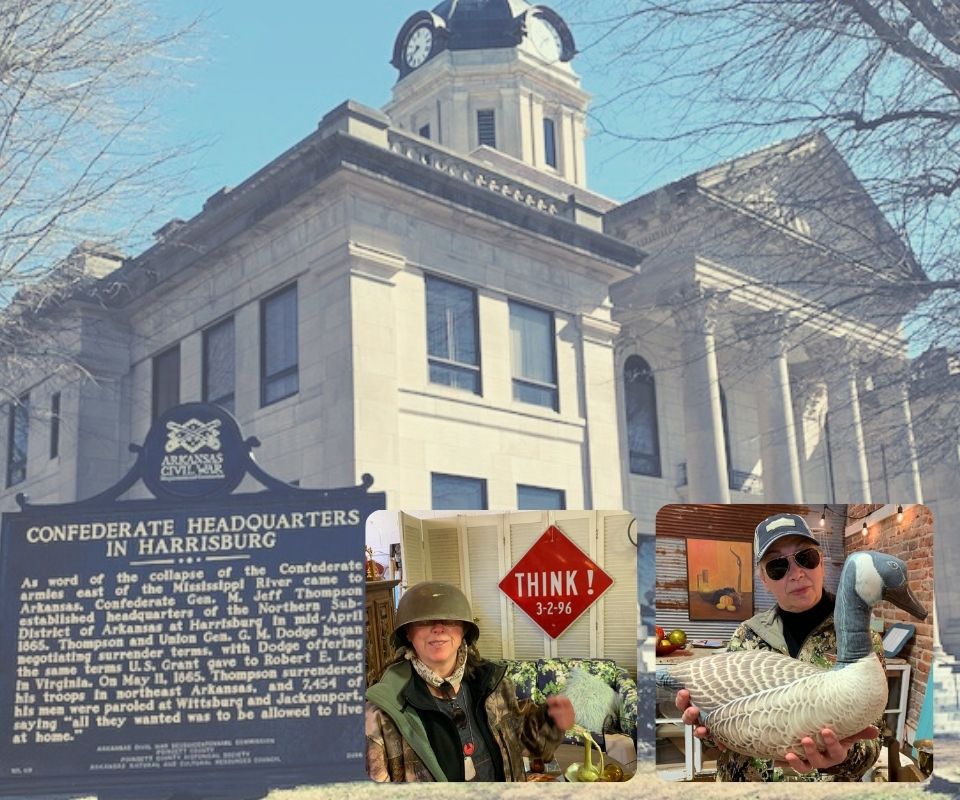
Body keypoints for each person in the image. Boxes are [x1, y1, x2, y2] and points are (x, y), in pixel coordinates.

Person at [676, 513, 883, 782]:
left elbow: (873, 738)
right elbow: (720, 736)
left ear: (821, 562)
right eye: (777, 566)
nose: (796, 573)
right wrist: (703, 725)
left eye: (805, 557)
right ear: (763, 579)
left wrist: (841, 758)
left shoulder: (862, 641)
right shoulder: (746, 635)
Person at [365, 581, 575, 782]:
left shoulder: (493, 685)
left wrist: (551, 721)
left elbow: (522, 743)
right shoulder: (384, 710)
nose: (438, 628)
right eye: (425, 621)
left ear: (464, 630)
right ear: (408, 633)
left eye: (449, 620)